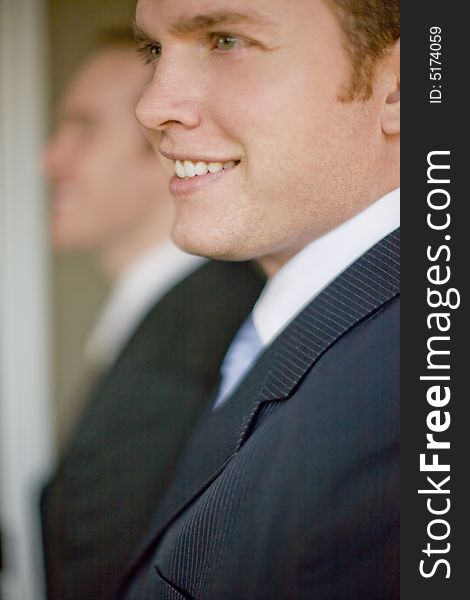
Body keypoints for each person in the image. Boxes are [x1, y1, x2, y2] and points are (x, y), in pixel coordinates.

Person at [119, 0, 400, 598]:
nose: (150, 107)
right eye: (154, 51)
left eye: (226, 41)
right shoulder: (221, 310)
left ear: (402, 88)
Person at [40, 31, 264, 600]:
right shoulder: (162, 314)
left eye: (84, 129)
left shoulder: (206, 331)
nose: (50, 158)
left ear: (166, 146)